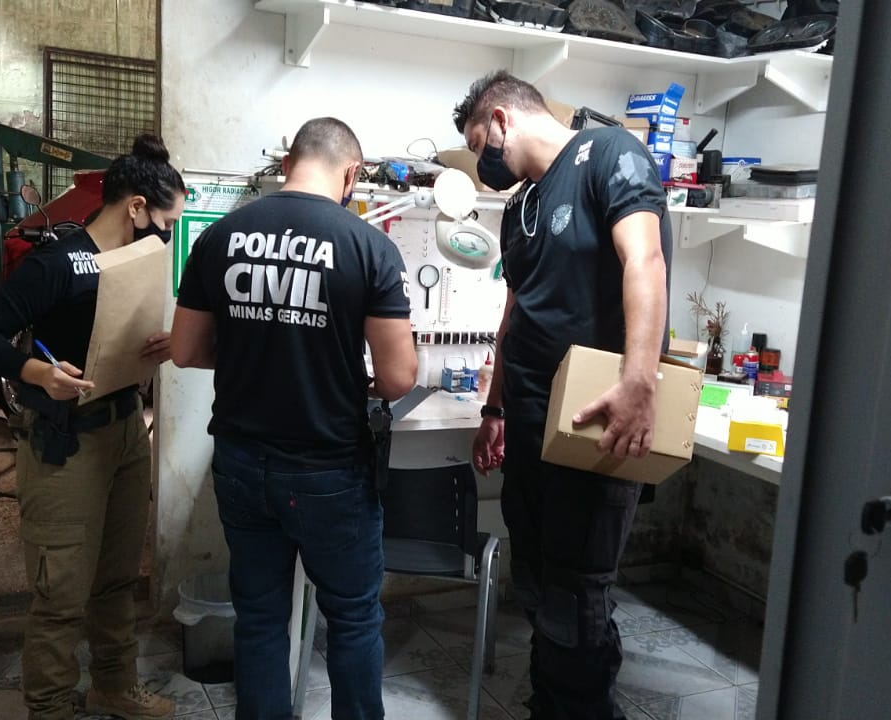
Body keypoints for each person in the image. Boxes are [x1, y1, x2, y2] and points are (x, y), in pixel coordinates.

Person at [170, 116, 417, 720]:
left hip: (240, 463)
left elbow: (185, 350)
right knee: (352, 619)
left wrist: (257, 350)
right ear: (352, 174)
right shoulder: (368, 247)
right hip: (329, 468)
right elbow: (397, 378)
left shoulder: (220, 237)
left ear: (286, 164)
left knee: (259, 616)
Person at [453, 71, 673, 720]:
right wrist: (494, 408)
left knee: (576, 591)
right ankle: (554, 702)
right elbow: (513, 314)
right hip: (527, 420)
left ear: (502, 118)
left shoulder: (609, 155)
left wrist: (640, 380)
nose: (483, 162)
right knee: (537, 578)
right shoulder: (521, 207)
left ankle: (581, 709)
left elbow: (645, 261)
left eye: (479, 144)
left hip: (594, 418)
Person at [0, 135, 185, 720]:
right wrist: (37, 370)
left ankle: (114, 686)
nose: (166, 236)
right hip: (65, 441)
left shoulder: (135, 260)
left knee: (117, 578)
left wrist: (157, 346)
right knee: (60, 590)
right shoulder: (58, 262)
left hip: (125, 431)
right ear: (135, 206)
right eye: (164, 223)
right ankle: (50, 706)